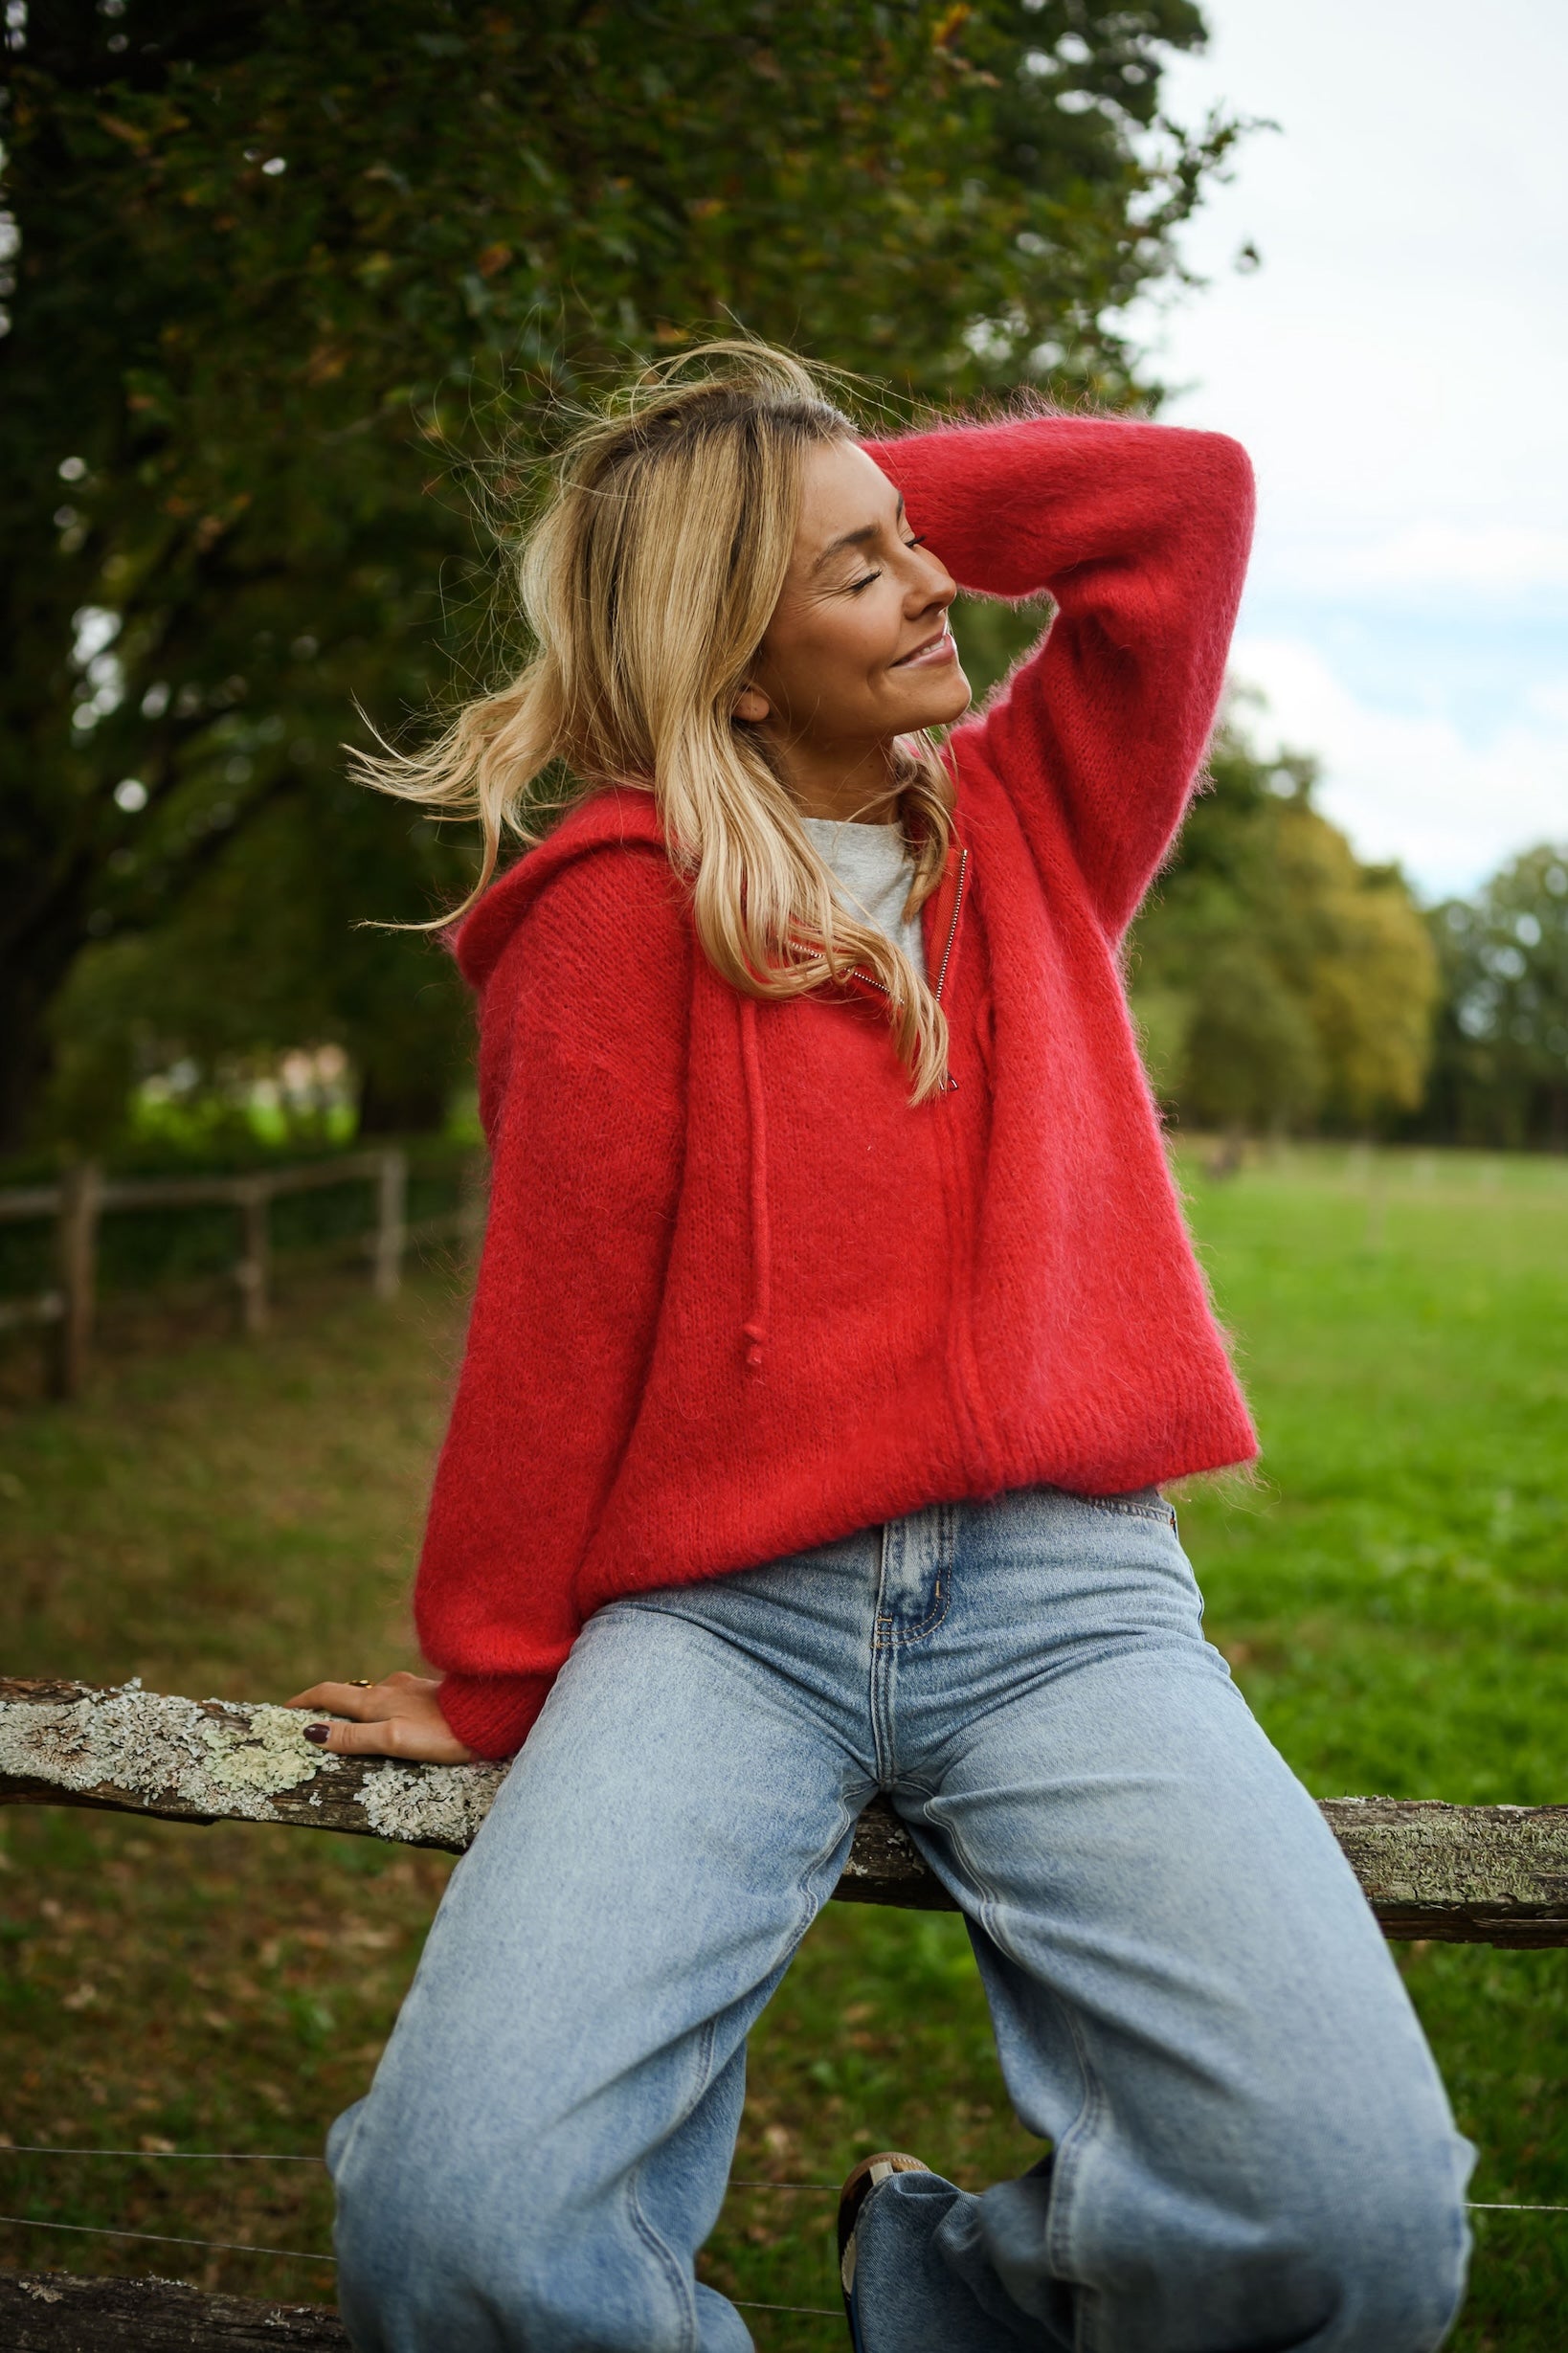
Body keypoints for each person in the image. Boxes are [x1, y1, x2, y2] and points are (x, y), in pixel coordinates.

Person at [289, 344, 1472, 2352]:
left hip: (1067, 1605)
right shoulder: (609, 913)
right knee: (454, 2224)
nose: (931, 583)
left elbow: (1180, 506)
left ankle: (941, 2283)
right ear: (735, 660)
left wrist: (796, 491)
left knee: (1351, 2220)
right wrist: (496, 1671)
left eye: (910, 543)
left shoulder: (1034, 818)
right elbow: (552, 1331)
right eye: (862, 573)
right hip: (716, 1621)